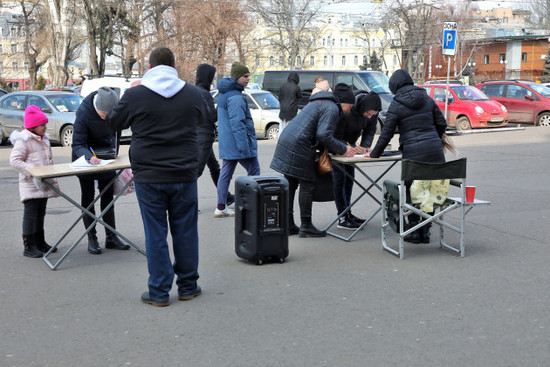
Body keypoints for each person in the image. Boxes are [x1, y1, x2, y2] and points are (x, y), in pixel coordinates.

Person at [107, 47, 203, 307]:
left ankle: (159, 291)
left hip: (149, 175)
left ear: (149, 68)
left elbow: (114, 122)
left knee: (155, 233)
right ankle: (188, 285)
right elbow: (207, 118)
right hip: (184, 173)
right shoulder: (192, 93)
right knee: (186, 230)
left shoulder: (136, 94)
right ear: (174, 66)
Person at [366, 69, 447, 243]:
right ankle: (425, 230)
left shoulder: (396, 104)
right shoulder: (426, 98)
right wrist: (434, 139)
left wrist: (374, 154)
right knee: (429, 190)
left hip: (413, 155)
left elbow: (386, 133)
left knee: (412, 190)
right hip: (435, 153)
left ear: (394, 87)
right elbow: (442, 123)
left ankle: (414, 231)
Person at [270, 83, 355, 237]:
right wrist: (344, 149)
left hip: (287, 140)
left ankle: (288, 224)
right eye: (349, 106)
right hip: (300, 145)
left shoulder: (318, 102)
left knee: (291, 184)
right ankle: (306, 225)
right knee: (307, 185)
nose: (350, 110)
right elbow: (323, 135)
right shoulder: (332, 108)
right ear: (343, 102)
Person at [72, 86, 130, 255]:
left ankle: (111, 237)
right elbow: (77, 144)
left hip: (106, 158)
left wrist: (114, 153)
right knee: (88, 199)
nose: (107, 117)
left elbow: (117, 133)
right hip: (86, 158)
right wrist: (89, 157)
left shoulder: (114, 110)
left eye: (110, 114)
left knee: (107, 198)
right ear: (97, 107)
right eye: (104, 114)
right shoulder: (84, 112)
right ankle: (92, 238)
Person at [10, 106, 59, 258]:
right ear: (33, 126)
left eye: (45, 124)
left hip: (42, 183)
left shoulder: (43, 139)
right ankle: (29, 245)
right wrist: (33, 171)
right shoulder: (24, 140)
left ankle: (40, 241)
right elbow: (14, 160)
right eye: (42, 125)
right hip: (30, 183)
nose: (45, 127)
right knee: (31, 214)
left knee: (40, 212)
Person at [215, 62, 260, 218]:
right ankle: (249, 204)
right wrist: (244, 146)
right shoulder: (235, 97)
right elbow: (238, 123)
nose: (248, 79)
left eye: (248, 76)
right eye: (245, 76)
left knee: (226, 173)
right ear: (237, 78)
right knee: (254, 170)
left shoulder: (224, 94)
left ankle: (220, 207)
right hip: (238, 143)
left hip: (228, 143)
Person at [332, 91, 382, 230]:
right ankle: (342, 217)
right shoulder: (348, 110)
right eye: (368, 114)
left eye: (373, 115)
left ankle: (348, 214)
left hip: (351, 149)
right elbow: (335, 135)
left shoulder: (372, 112)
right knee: (340, 181)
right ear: (363, 107)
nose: (369, 116)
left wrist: (365, 146)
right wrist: (350, 147)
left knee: (350, 179)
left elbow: (370, 130)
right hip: (338, 147)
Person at [194, 63, 235, 207]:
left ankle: (227, 196)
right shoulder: (204, 93)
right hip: (203, 136)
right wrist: (222, 104)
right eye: (212, 77)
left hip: (200, 135)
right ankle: (187, 202)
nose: (213, 80)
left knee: (214, 167)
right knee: (196, 171)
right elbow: (212, 116)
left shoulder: (195, 90)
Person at [278, 71, 302, 137]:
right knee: (290, 129)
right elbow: (300, 97)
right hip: (292, 111)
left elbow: (279, 98)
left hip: (282, 110)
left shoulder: (282, 86)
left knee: (282, 127)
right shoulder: (296, 87)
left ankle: (280, 140)